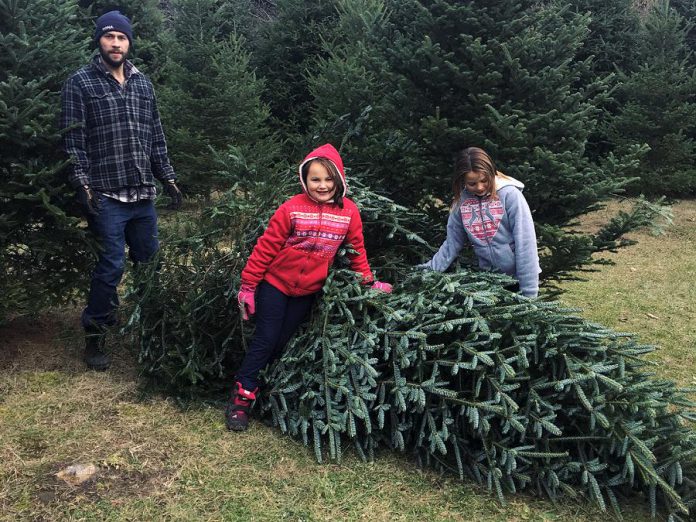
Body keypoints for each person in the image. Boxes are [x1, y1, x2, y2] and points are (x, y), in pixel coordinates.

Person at [226, 143, 392, 431]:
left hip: (306, 291)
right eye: (315, 179)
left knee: (280, 341)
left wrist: (368, 282)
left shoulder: (348, 212)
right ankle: (242, 397)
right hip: (275, 284)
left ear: (339, 180)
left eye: (329, 179)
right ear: (305, 180)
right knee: (266, 337)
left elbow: (356, 250)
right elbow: (265, 248)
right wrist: (249, 286)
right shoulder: (291, 209)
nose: (323, 185)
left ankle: (263, 385)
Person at [60, 11, 182, 371]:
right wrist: (82, 184)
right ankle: (95, 336)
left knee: (149, 264)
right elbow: (72, 141)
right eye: (109, 37)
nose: (116, 44)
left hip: (142, 194)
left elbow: (155, 137)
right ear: (99, 40)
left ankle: (151, 328)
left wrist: (168, 177)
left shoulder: (143, 84)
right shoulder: (80, 83)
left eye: (122, 38)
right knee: (110, 267)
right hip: (106, 195)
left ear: (130, 42)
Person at [420, 147, 540, 297]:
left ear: (491, 173)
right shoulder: (461, 203)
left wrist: (529, 294)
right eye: (472, 183)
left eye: (484, 180)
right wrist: (427, 271)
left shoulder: (510, 196)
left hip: (517, 282)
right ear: (462, 181)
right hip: (488, 281)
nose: (480, 187)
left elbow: (526, 244)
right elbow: (452, 244)